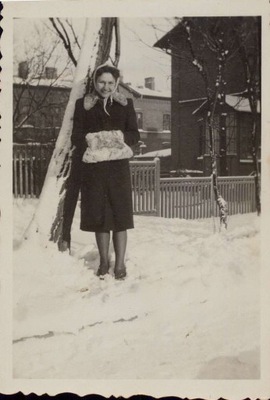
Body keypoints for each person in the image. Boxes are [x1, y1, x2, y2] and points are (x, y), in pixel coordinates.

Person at [64, 63, 140, 280]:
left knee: (120, 217)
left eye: (110, 83)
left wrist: (117, 138)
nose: (105, 87)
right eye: (101, 82)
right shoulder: (83, 105)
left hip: (118, 171)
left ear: (116, 83)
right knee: (100, 216)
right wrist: (93, 140)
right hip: (94, 171)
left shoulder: (126, 105)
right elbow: (76, 136)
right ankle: (105, 261)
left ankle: (120, 264)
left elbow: (135, 135)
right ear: (95, 83)